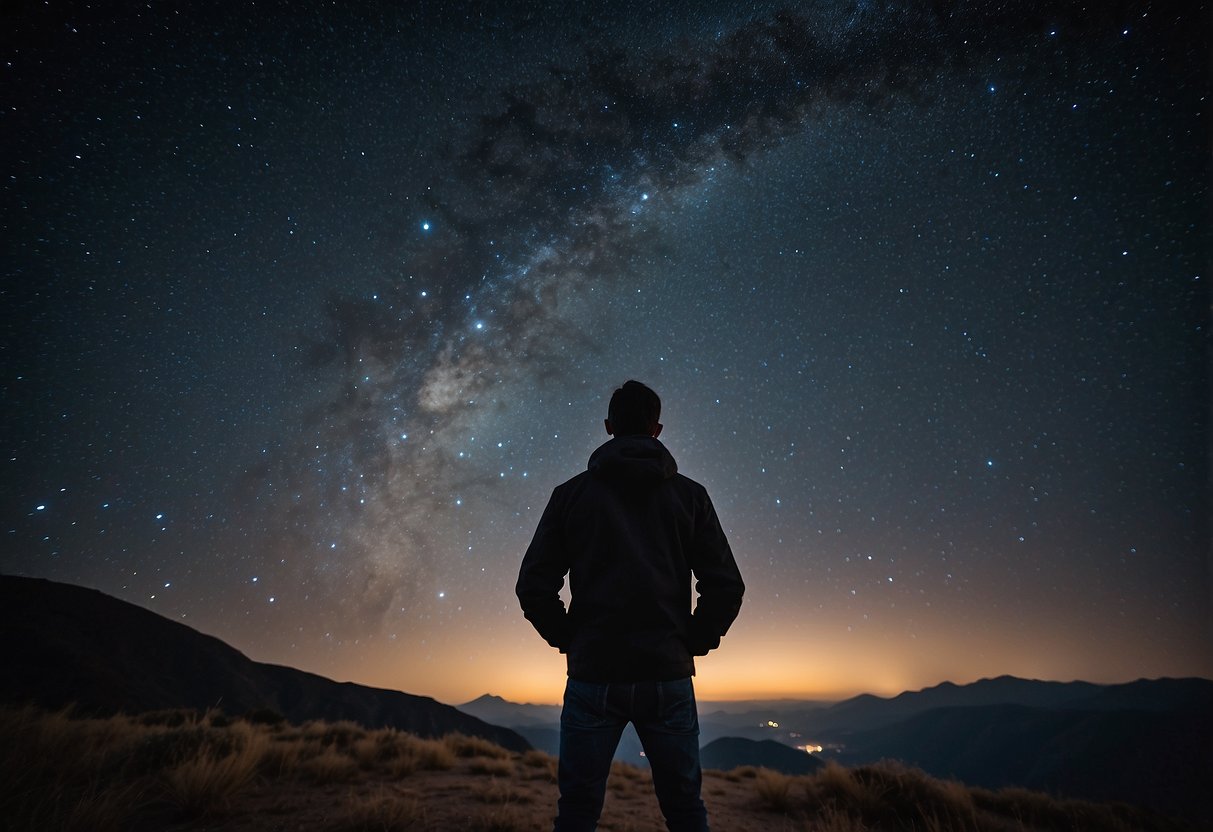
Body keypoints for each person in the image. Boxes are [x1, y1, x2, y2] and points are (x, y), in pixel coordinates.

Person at [516, 380, 745, 832]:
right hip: (667, 672)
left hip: (594, 674)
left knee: (578, 811)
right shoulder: (690, 496)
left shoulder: (571, 496)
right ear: (656, 429)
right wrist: (693, 642)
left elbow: (533, 586)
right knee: (684, 808)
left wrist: (570, 639)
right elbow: (726, 586)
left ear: (607, 427)